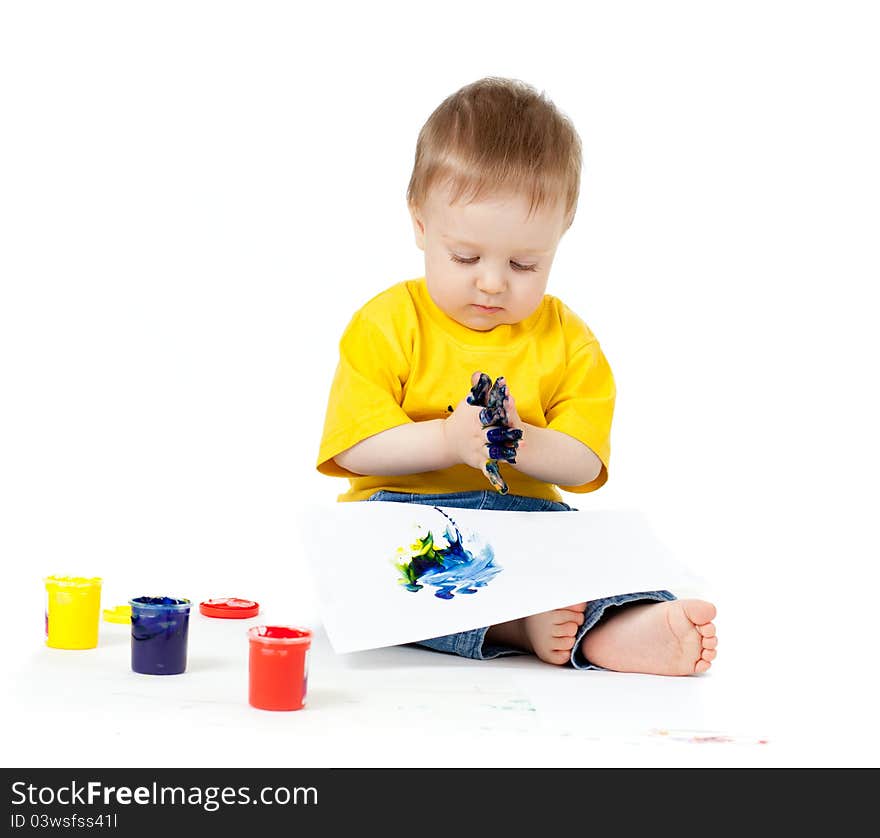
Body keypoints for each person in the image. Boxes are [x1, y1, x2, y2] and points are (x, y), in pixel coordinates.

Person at [316, 77, 717, 675]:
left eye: (525, 263)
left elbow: (583, 463)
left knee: (593, 552)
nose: (493, 282)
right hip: (408, 522)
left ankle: (624, 623)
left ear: (561, 235)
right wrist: (447, 440)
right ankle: (518, 622)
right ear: (421, 224)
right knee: (367, 572)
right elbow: (355, 446)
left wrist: (521, 440)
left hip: (524, 524)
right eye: (466, 257)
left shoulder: (568, 339)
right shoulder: (388, 322)